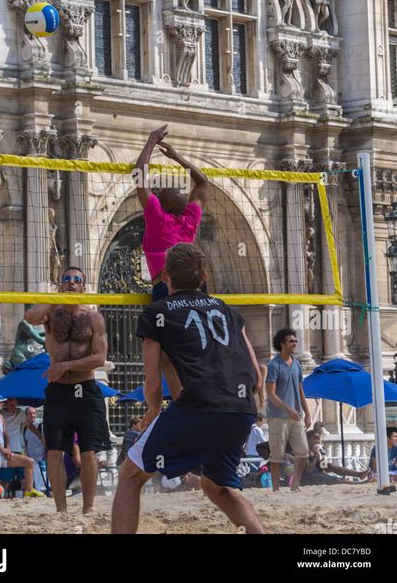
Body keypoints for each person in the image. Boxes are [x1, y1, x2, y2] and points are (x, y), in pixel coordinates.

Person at [111, 242, 265, 534]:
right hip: (242, 410)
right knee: (216, 486)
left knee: (130, 475)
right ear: (204, 276)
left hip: (200, 405)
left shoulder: (156, 313)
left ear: (165, 275)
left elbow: (153, 383)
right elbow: (256, 379)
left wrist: (155, 410)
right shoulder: (228, 311)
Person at [24, 266, 111, 514]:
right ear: (60, 284)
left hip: (86, 389)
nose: (71, 283)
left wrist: (65, 365)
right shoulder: (52, 315)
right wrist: (54, 300)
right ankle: (61, 510)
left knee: (88, 452)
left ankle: (89, 507)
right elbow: (29, 317)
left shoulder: (93, 317)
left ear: (83, 286)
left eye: (76, 280)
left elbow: (100, 357)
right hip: (59, 391)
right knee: (54, 452)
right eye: (66, 279)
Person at [135, 125, 208, 301]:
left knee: (165, 327)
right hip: (195, 288)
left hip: (166, 288)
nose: (156, 195)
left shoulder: (157, 215)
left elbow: (139, 174)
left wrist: (151, 141)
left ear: (165, 205)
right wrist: (176, 156)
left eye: (159, 195)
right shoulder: (190, 219)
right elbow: (202, 182)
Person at [266, 328, 311, 492]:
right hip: (277, 416)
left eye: (295, 341)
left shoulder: (297, 364)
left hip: (295, 416)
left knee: (303, 452)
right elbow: (270, 394)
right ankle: (276, 489)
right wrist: (288, 409)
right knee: (276, 456)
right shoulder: (274, 365)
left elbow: (300, 389)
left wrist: (308, 413)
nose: (295, 343)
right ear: (282, 344)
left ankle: (295, 486)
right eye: (291, 341)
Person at [0, 394, 43, 497]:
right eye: (1, 402)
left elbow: (6, 434)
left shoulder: (1, 417)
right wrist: (3, 449)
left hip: (5, 453)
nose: (2, 404)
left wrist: (7, 448)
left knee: (30, 462)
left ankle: (29, 492)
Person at [0, 398, 42, 491]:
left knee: (23, 476)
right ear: (6, 403)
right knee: (5, 478)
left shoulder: (20, 413)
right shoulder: (1, 414)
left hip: (18, 449)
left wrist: (40, 436)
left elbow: (29, 425)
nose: (13, 406)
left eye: (14, 404)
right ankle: (1, 497)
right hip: (6, 450)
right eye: (11, 403)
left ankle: (27, 494)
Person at [302, 431, 370, 486]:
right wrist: (315, 457)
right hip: (309, 477)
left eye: (318, 439)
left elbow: (325, 467)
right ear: (308, 440)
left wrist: (321, 456)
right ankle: (357, 483)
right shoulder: (305, 451)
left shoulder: (316, 451)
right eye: (315, 439)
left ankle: (359, 474)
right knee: (334, 479)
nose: (317, 441)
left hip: (319, 472)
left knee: (331, 467)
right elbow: (308, 470)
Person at [23, 407, 46, 493]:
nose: (32, 415)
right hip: (31, 461)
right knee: (35, 484)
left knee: (42, 485)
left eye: (34, 413)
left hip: (41, 460)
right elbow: (26, 443)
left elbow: (45, 441)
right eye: (30, 413)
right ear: (26, 415)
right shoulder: (25, 428)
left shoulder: (41, 425)